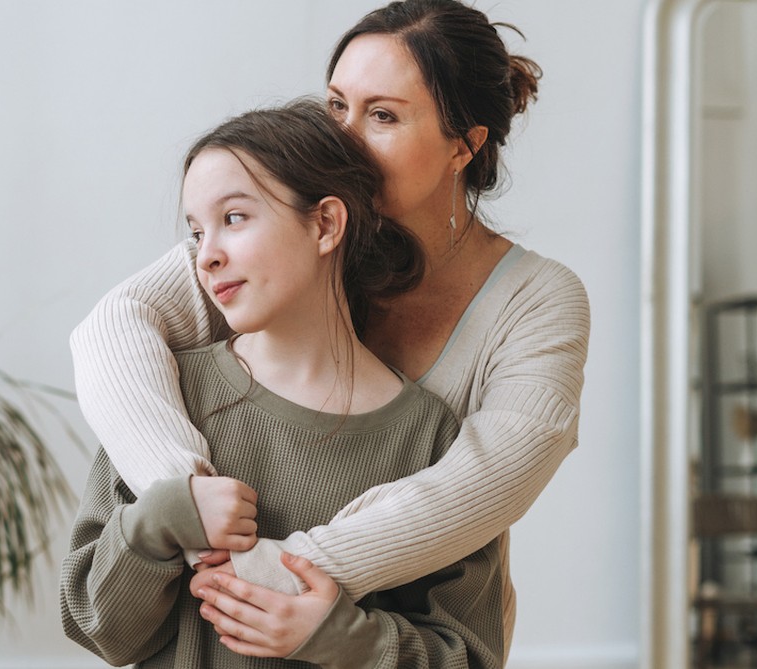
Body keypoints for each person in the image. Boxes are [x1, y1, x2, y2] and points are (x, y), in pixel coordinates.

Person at [68, 0, 590, 657]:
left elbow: (481, 488)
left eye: (383, 115)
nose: (345, 136)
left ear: (465, 143)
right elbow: (113, 328)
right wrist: (184, 495)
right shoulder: (282, 245)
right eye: (337, 104)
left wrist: (290, 579)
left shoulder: (535, 304)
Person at [60, 99, 504, 669]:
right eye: (197, 232)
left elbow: (469, 655)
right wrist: (158, 518)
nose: (207, 256)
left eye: (235, 218)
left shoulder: (428, 437)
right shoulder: (167, 401)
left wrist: (346, 637)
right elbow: (99, 630)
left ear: (324, 224)